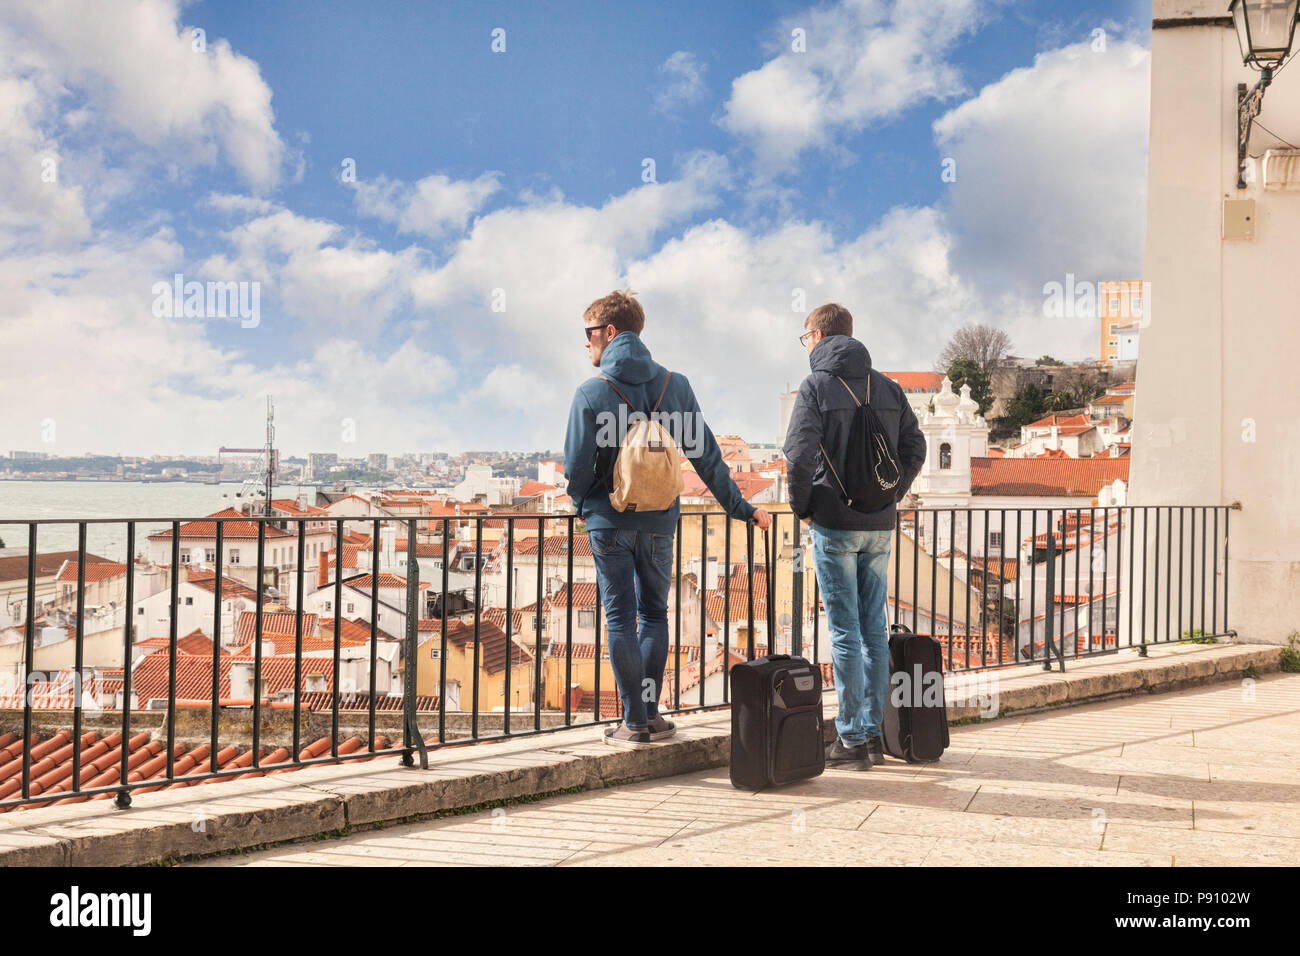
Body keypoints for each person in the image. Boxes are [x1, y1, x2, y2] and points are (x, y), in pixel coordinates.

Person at [564, 290, 772, 748]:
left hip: (609, 521)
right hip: (660, 522)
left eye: (589, 334)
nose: (586, 344)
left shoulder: (592, 392)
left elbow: (576, 468)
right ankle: (652, 715)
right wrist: (743, 509)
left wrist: (584, 506)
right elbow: (708, 458)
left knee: (619, 618)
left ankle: (632, 722)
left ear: (610, 332)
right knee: (654, 614)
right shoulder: (674, 386)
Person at [782, 303, 926, 769]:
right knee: (873, 630)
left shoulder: (816, 386)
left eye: (805, 337)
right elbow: (915, 448)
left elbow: (799, 455)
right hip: (880, 526)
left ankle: (849, 738)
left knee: (844, 633)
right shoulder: (886, 386)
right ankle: (870, 738)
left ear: (819, 335)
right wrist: (892, 495)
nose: (806, 345)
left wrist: (804, 507)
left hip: (835, 524)